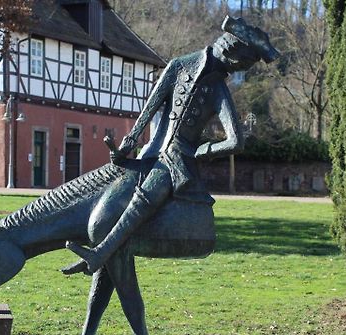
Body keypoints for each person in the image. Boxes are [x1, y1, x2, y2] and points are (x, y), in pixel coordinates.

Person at [66, 15, 279, 274]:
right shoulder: (179, 66)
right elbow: (150, 107)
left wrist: (201, 151)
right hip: (150, 153)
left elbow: (236, 141)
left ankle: (101, 252)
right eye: (239, 66)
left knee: (150, 191)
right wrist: (129, 144)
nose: (234, 73)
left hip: (177, 164)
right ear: (229, 49)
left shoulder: (217, 89)